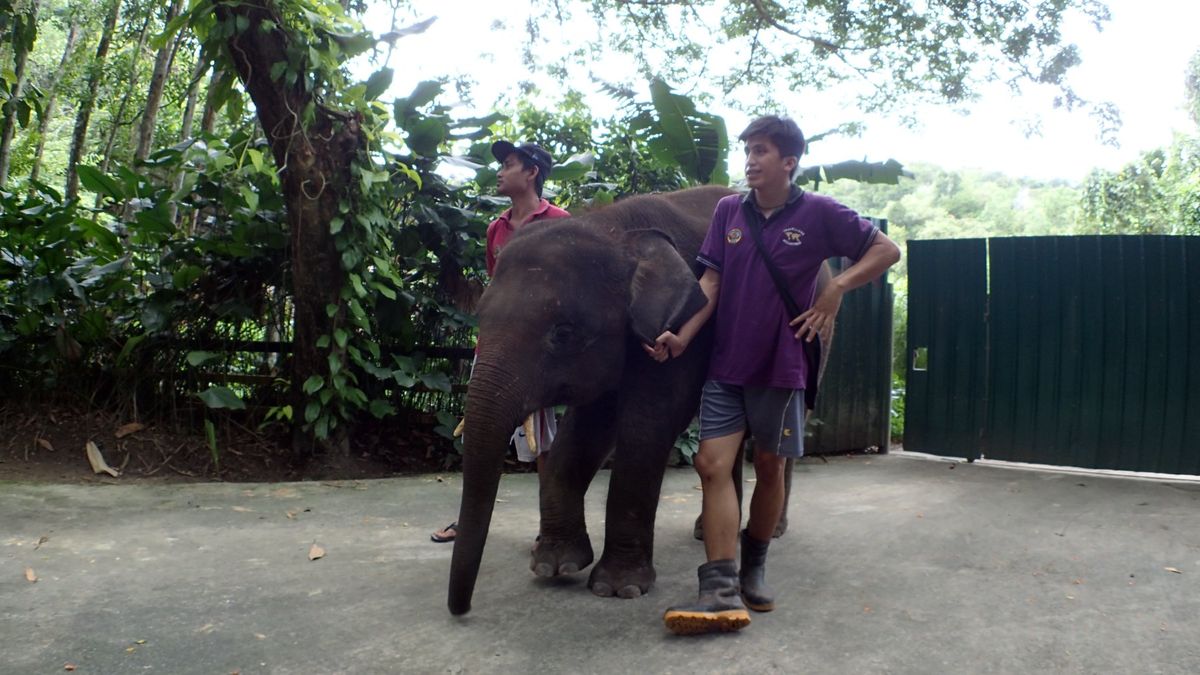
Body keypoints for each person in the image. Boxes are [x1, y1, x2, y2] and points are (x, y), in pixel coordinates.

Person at [645, 115, 901, 634]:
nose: (750, 160)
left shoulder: (820, 212)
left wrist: (836, 288)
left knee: (769, 466)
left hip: (783, 365)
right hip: (726, 365)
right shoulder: (727, 212)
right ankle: (718, 584)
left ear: (788, 161)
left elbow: (886, 250)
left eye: (761, 151)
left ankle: (754, 563)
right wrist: (685, 334)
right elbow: (711, 281)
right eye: (747, 151)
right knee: (712, 464)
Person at [432, 140, 570, 543]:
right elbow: (497, 287)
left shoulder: (559, 222)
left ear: (532, 173)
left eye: (509, 164)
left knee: (543, 441)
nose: (500, 171)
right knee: (480, 432)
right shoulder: (496, 228)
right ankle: (470, 522)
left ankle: (553, 526)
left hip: (536, 355)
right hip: (492, 352)